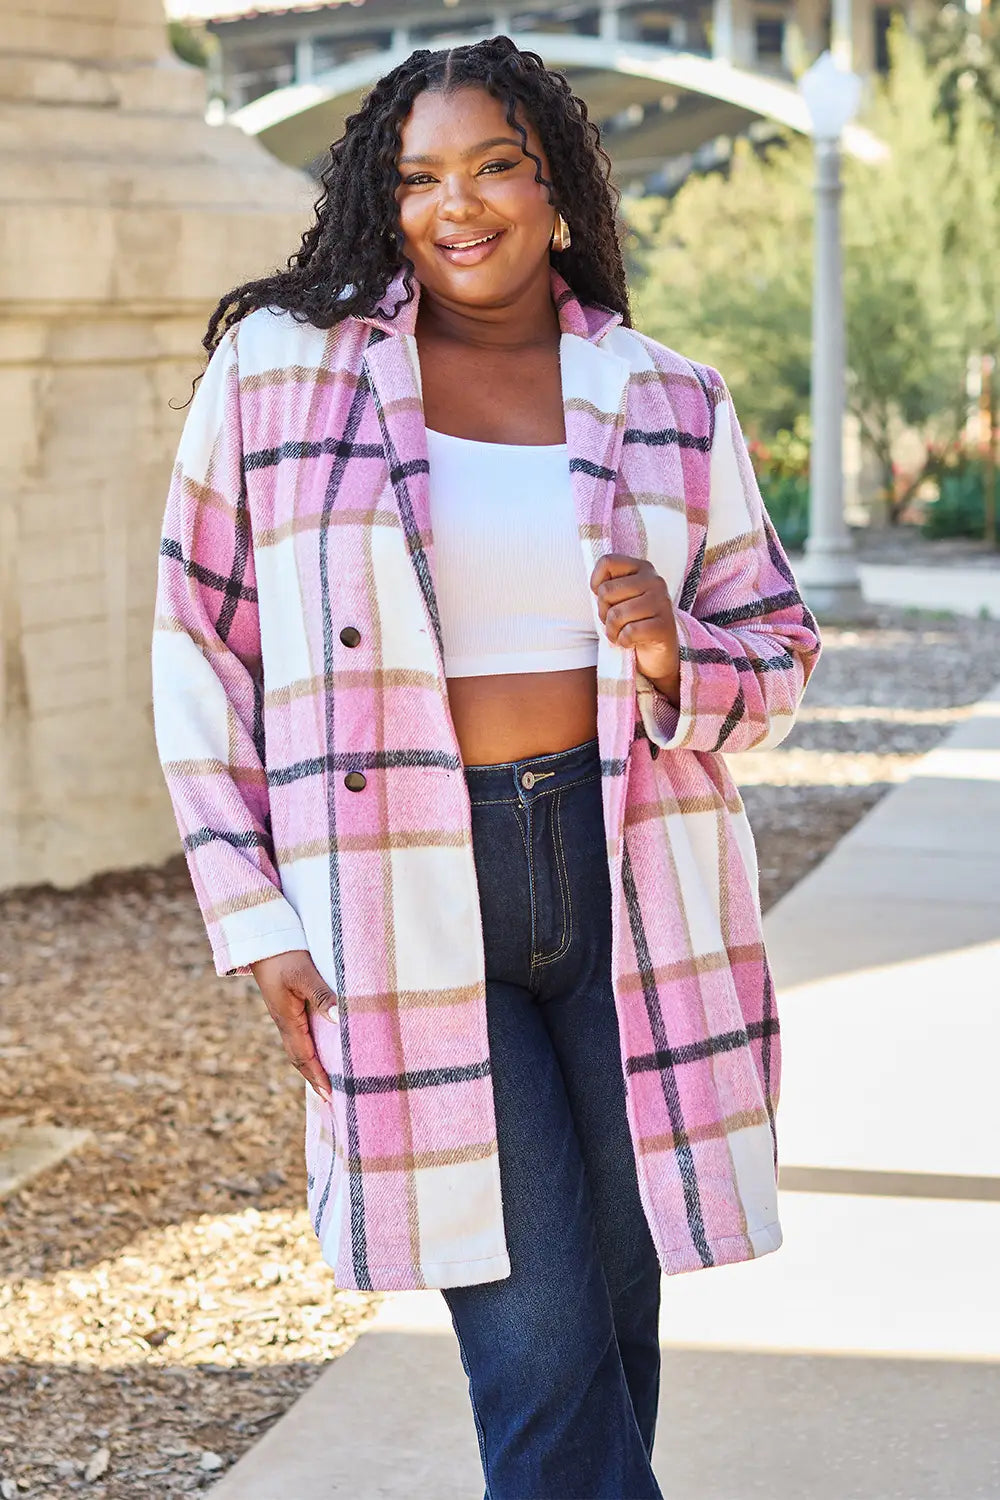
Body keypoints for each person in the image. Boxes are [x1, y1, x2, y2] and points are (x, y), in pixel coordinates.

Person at [152, 35, 821, 1500]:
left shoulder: (668, 396)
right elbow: (194, 643)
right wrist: (252, 912)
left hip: (631, 878)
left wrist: (669, 659)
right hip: (403, 881)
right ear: (384, 203)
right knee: (535, 1331)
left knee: (617, 1311)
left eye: (495, 167)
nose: (458, 207)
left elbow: (778, 657)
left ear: (558, 193)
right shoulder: (281, 374)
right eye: (419, 178)